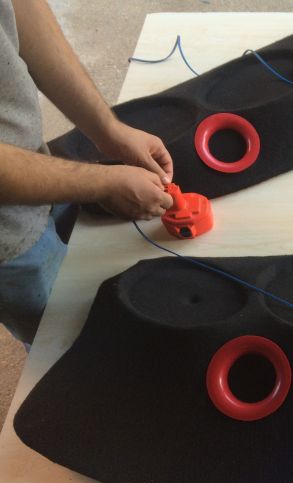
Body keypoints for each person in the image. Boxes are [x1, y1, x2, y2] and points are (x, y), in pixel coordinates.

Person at [0, 0, 174, 347]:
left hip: (32, 161)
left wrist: (107, 129)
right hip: (9, 239)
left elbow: (19, 7)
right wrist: (100, 184)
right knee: (66, 340)